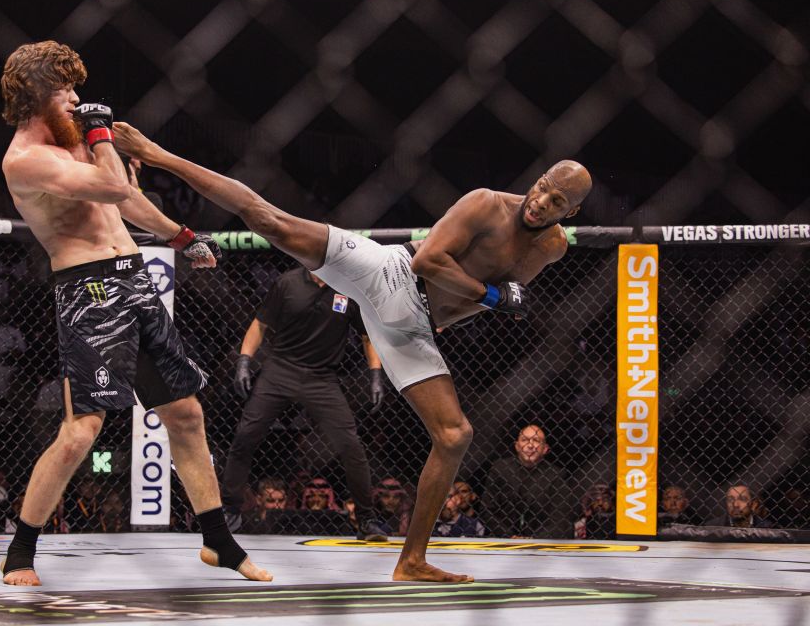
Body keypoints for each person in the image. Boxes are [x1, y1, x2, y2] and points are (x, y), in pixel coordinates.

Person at [114, 121, 591, 582]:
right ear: (537, 178)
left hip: (415, 328)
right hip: (391, 274)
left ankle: (412, 562)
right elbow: (431, 262)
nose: (542, 201)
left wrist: (446, 321)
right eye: (544, 186)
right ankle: (157, 154)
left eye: (557, 201)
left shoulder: (550, 248)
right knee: (269, 219)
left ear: (568, 214)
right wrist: (489, 298)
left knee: (454, 435)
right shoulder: (485, 204)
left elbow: (494, 296)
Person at [0, 40, 270, 585]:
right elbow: (110, 185)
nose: (76, 99)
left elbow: (126, 200)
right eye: (65, 90)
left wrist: (181, 236)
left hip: (135, 282)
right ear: (35, 96)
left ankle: (218, 541)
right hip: (89, 291)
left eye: (76, 88)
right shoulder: (26, 159)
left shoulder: (77, 143)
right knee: (82, 430)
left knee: (187, 414)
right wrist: (102, 138)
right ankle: (20, 551)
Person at [221, 266, 387, 541]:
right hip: (280, 371)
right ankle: (230, 509)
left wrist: (375, 375)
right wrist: (244, 361)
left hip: (322, 378)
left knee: (350, 445)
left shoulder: (350, 288)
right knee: (245, 436)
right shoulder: (287, 283)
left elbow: (368, 335)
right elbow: (260, 323)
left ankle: (367, 519)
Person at [482, 424, 573, 539]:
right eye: (524, 440)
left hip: (541, 544)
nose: (530, 445)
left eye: (536, 440)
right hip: (502, 540)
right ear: (517, 446)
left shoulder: (556, 475)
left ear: (545, 449)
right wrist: (509, 537)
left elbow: (560, 517)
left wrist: (535, 540)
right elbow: (487, 510)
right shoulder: (500, 469)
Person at [707, 484, 775, 529]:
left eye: (742, 499)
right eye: (730, 500)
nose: (735, 504)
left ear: (754, 504)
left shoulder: (767, 527)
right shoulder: (712, 527)